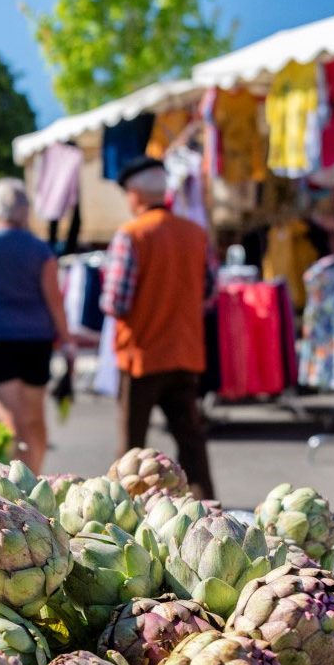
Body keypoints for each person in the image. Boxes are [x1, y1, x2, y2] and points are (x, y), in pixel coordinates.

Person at [100, 155, 215, 499]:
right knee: (191, 441)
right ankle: (206, 505)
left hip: (142, 356)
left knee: (131, 447)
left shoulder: (132, 235)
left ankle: (119, 510)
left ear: (135, 194)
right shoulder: (195, 234)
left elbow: (115, 302)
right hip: (185, 351)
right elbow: (210, 291)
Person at [0, 177, 75, 473]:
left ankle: (18, 485)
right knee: (34, 415)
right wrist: (66, 338)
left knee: (10, 417)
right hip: (37, 338)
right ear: (25, 211)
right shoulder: (40, 249)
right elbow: (54, 299)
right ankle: (35, 475)